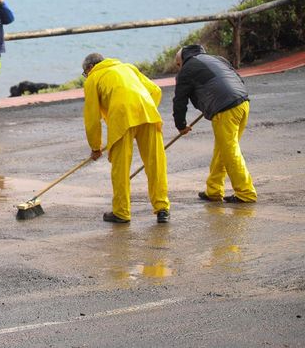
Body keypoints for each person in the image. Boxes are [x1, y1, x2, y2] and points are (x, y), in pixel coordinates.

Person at [81, 53, 171, 224]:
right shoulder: (127, 67)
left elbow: (92, 118)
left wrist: (95, 147)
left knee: (120, 168)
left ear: (90, 68)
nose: (86, 75)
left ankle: (121, 212)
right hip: (148, 113)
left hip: (121, 118)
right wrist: (143, 109)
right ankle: (162, 208)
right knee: (155, 163)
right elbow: (155, 90)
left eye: (85, 73)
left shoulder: (93, 79)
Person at [173, 44, 256, 203]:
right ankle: (214, 189)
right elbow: (237, 79)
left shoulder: (186, 70)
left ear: (181, 60)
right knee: (223, 149)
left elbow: (180, 101)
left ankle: (246, 193)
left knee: (230, 151)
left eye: (178, 65)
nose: (178, 68)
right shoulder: (217, 59)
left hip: (225, 109)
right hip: (243, 102)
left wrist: (181, 125)